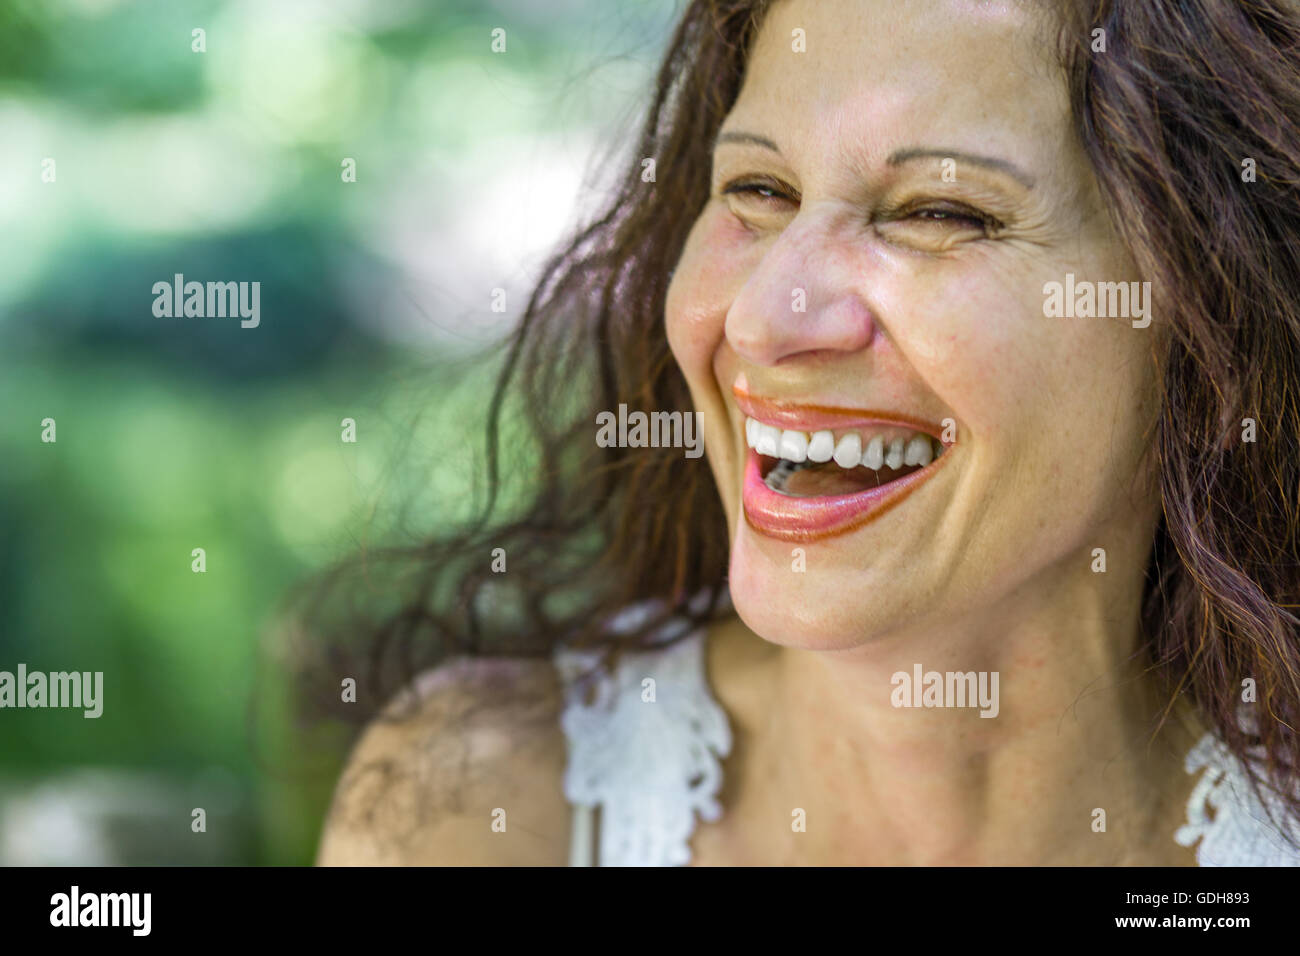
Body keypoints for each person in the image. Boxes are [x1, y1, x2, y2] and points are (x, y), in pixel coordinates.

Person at [313, 0, 1300, 865]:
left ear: (1208, 309)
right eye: (757, 191)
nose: (761, 320)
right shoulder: (477, 812)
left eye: (940, 210)